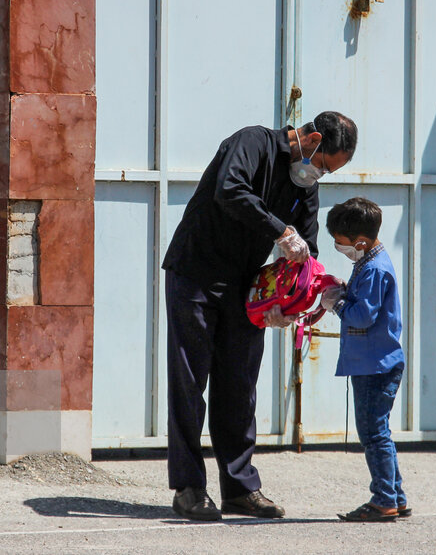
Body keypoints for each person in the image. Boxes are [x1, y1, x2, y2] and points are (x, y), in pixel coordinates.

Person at [162, 112, 358, 521]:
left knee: (240, 384)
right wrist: (279, 231)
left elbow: (309, 251)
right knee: (189, 380)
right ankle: (188, 488)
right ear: (313, 139)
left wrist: (295, 302)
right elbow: (228, 190)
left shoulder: (306, 189)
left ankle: (239, 488)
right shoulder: (252, 143)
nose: (317, 174)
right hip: (195, 272)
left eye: (327, 172)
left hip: (247, 287)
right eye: (322, 164)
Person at [320, 197, 410, 523]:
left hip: (375, 366)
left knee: (373, 435)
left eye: (341, 244)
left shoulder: (373, 268)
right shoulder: (368, 261)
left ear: (359, 241)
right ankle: (395, 496)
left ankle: (384, 499)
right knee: (379, 432)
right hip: (375, 363)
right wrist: (344, 289)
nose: (340, 249)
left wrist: (338, 305)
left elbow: (362, 316)